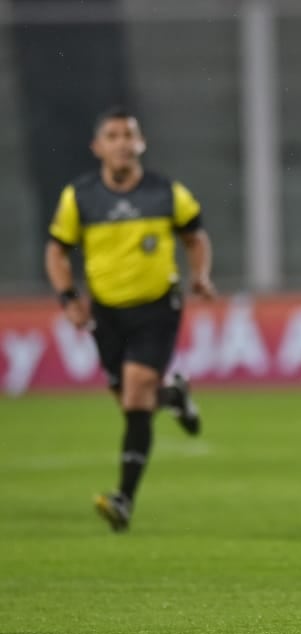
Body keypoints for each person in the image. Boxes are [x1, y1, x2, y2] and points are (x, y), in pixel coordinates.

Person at [44, 106, 215, 532]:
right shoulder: (79, 197)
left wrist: (201, 275)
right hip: (107, 313)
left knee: (137, 391)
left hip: (157, 307)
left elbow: (195, 236)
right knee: (130, 404)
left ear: (141, 144)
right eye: (113, 136)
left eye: (129, 135)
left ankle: (123, 499)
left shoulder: (167, 193)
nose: (122, 143)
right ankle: (174, 398)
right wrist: (68, 297)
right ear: (98, 147)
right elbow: (56, 250)